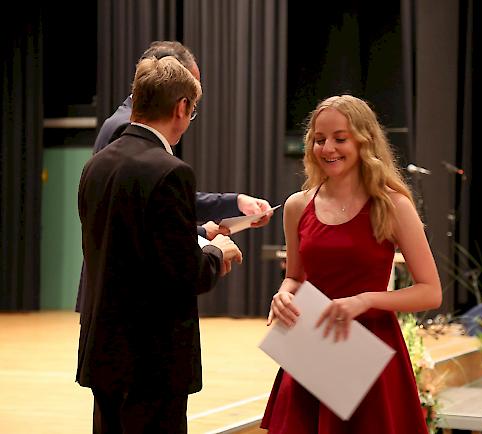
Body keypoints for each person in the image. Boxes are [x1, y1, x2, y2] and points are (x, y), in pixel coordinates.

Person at [76, 56, 243, 433]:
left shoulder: (96, 166)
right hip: (151, 360)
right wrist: (218, 251)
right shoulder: (170, 171)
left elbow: (128, 248)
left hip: (104, 351)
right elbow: (187, 273)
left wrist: (197, 235)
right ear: (181, 107)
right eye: (192, 110)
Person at [261, 95, 443, 433]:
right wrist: (284, 294)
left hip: (370, 352)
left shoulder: (393, 205)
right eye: (319, 139)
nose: (328, 147)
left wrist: (367, 300)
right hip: (312, 348)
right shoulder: (297, 206)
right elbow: (295, 278)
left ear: (364, 140)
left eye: (340, 138)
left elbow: (431, 293)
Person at [76, 40, 272, 312]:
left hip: (112, 303)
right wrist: (214, 248)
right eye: (191, 97)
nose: (192, 107)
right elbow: (138, 230)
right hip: (135, 306)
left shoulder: (114, 141)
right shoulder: (131, 134)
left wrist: (227, 208)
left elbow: (142, 213)